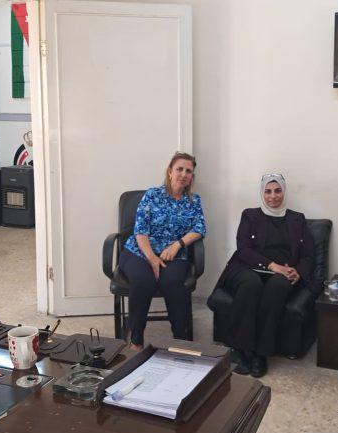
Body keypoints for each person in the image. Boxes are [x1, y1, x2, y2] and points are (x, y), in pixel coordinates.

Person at [214, 173, 314, 378]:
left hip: (282, 273)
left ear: (284, 192)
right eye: (268, 191)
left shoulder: (298, 219)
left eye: (277, 191)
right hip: (247, 267)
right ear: (262, 193)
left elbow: (308, 255)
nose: (273, 196)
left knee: (277, 286)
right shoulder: (250, 215)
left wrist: (298, 271)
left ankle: (260, 354)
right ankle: (239, 349)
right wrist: (272, 265)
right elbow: (243, 249)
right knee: (250, 284)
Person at [119, 152, 206, 349]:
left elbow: (200, 228)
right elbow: (140, 230)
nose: (183, 174)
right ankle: (136, 341)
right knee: (143, 280)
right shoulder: (152, 194)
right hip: (140, 251)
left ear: (192, 176)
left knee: (172, 282)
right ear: (169, 172)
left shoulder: (194, 201)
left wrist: (177, 245)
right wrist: (151, 257)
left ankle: (179, 341)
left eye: (188, 171)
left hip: (173, 255)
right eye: (179, 169)